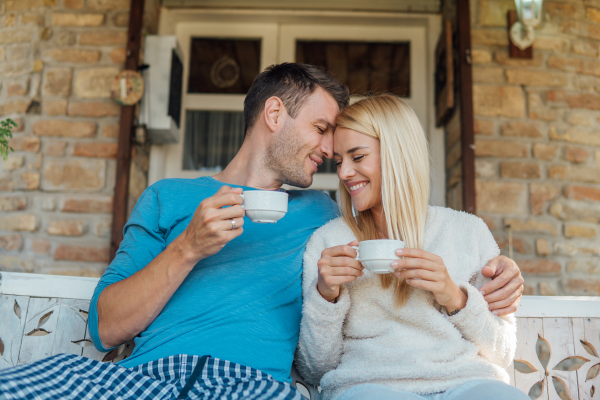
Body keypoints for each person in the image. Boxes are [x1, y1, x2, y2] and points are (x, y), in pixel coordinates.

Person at [0, 65, 523, 400]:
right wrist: (186, 248)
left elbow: (403, 218)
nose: (330, 157)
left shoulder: (325, 217)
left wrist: (498, 276)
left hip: (253, 387)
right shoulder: (169, 198)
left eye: (344, 153)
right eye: (321, 131)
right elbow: (105, 328)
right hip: (143, 379)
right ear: (275, 113)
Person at [296, 94, 529, 400]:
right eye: (339, 161)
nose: (343, 173)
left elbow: (501, 352)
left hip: (465, 384)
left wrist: (453, 295)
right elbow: (315, 370)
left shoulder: (467, 232)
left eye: (358, 156)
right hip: (369, 389)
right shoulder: (328, 242)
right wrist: (325, 296)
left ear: (398, 154)